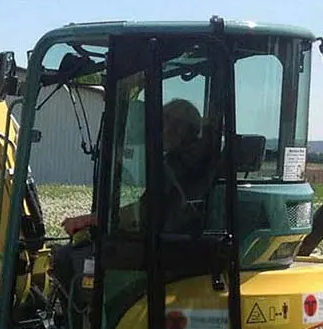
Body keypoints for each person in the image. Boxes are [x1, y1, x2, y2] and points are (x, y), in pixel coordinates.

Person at [60, 98, 210, 235]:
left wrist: (89, 220)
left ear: (179, 128)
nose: (157, 129)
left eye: (164, 121)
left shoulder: (181, 167)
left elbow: (144, 211)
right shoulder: (195, 162)